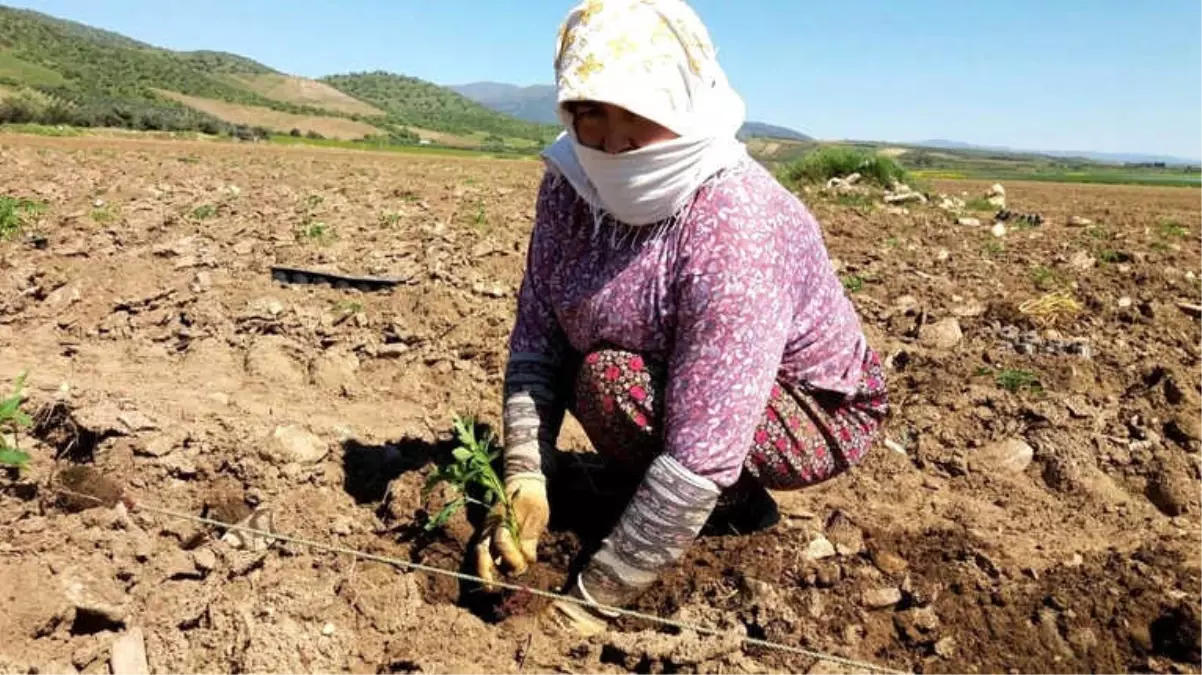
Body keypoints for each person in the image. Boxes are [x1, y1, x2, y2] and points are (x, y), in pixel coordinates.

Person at [474, 0, 889, 635]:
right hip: (675, 373)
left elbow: (703, 446)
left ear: (684, 99)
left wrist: (589, 603)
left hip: (810, 409)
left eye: (638, 113)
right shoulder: (569, 183)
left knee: (613, 384)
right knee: (604, 376)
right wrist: (524, 476)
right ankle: (656, 502)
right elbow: (537, 341)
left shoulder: (733, 219)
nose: (614, 143)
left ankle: (735, 509)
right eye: (591, 114)